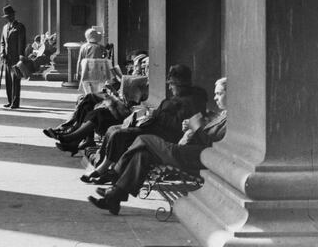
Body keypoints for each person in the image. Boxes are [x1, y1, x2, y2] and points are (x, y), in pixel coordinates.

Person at [89, 77, 228, 215]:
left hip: (194, 157)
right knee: (142, 155)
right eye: (216, 94)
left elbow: (215, 145)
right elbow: (207, 134)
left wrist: (197, 127)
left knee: (144, 139)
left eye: (219, 94)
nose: (215, 98)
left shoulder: (232, 121)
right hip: (188, 151)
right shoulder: (222, 115)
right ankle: (114, 197)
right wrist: (192, 126)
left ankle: (115, 173)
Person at [82, 64, 206, 182]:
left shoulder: (191, 100)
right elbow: (164, 113)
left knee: (118, 134)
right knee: (112, 129)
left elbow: (177, 124)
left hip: (163, 135)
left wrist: (155, 115)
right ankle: (100, 164)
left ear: (181, 84)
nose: (169, 87)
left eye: (172, 84)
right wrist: (149, 114)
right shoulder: (178, 96)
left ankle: (102, 169)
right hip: (153, 127)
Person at [53, 74, 150, 155]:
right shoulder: (136, 88)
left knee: (97, 113)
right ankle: (77, 139)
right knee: (88, 102)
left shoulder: (141, 95)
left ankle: (73, 137)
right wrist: (113, 96)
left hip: (123, 119)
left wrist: (113, 98)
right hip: (117, 112)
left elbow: (125, 113)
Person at [0, 4, 27, 109]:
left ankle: (15, 103)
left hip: (16, 58)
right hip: (6, 59)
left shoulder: (20, 27)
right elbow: (2, 42)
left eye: (10, 16)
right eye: (7, 17)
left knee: (16, 80)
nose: (8, 18)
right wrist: (2, 53)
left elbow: (22, 42)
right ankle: (10, 101)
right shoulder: (5, 27)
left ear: (13, 15)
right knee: (8, 81)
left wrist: (21, 55)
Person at [76, 26, 113, 96]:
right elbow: (105, 61)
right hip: (99, 74)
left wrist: (78, 72)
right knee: (98, 92)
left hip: (86, 73)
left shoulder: (83, 47)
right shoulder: (101, 47)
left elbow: (79, 61)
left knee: (88, 92)